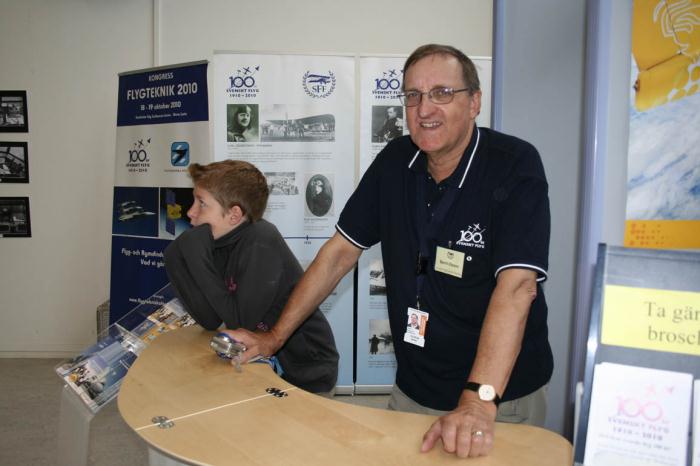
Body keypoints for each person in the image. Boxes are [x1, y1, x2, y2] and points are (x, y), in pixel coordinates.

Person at [227, 44, 552, 458]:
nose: (424, 108)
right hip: (414, 388)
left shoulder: (514, 164)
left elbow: (518, 287)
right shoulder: (396, 160)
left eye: (441, 93)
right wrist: (273, 338)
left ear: (474, 102)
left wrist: (476, 400)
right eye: (413, 95)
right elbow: (339, 253)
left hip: (497, 401)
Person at [163, 160, 338, 394]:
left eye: (202, 204)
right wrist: (176, 258)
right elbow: (210, 319)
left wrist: (197, 258)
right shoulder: (219, 242)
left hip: (306, 369)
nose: (191, 212)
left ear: (234, 214)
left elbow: (239, 322)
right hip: (264, 363)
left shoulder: (260, 240)